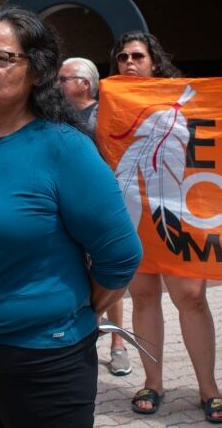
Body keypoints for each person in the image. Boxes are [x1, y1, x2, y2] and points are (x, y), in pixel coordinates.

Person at [0, 7, 143, 428]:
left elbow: (120, 256)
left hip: (43, 362)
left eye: (1, 58)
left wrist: (79, 312)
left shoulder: (64, 148)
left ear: (36, 71)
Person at [110, 31, 222, 423]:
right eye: (122, 57)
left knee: (191, 297)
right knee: (144, 297)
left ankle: (209, 388)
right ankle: (153, 381)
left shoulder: (186, 97)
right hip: (132, 217)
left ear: (154, 62)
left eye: (137, 56)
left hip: (179, 214)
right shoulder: (110, 103)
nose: (128, 63)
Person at [60, 56, 131, 377]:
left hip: (100, 204)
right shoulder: (55, 114)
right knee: (75, 270)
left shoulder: (105, 113)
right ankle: (86, 335)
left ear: (85, 84)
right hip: (67, 205)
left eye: (64, 79)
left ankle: (118, 343)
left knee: (107, 270)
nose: (58, 84)